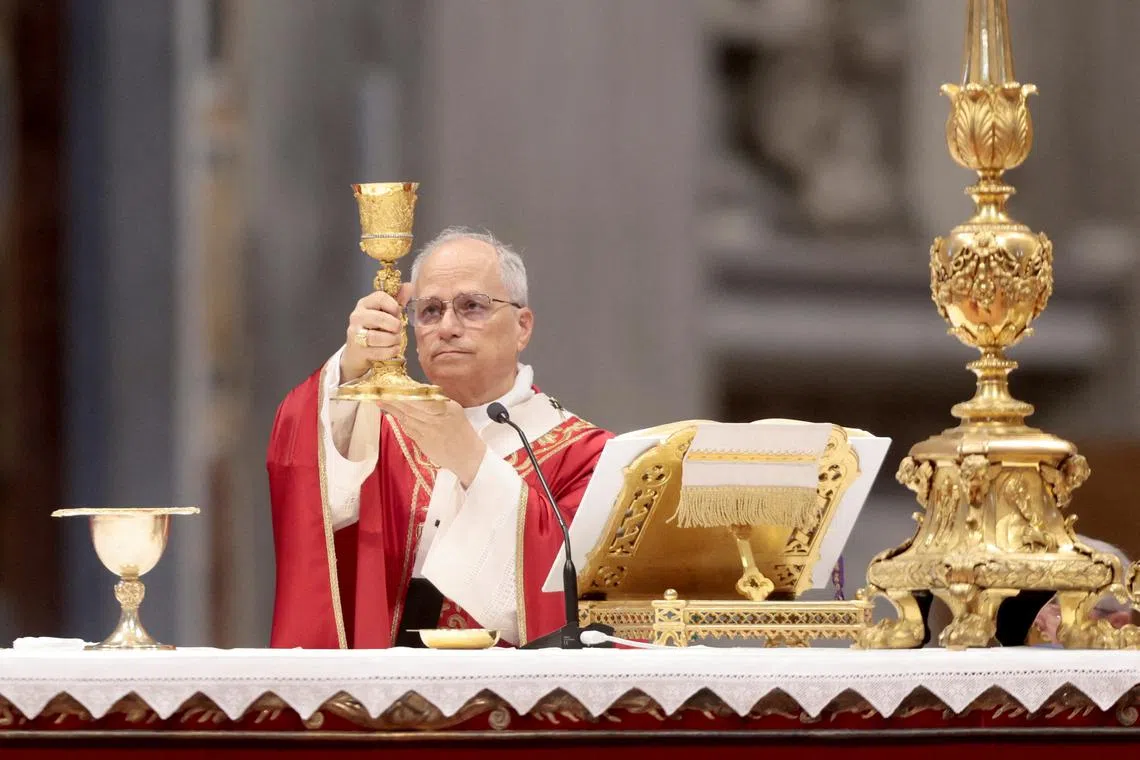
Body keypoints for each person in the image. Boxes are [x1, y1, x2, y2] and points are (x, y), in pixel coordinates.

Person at [266, 227, 612, 648]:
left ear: (522, 327)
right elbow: (301, 467)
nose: (447, 327)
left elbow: (572, 598)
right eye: (429, 310)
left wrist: (471, 461)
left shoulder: (587, 455)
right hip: (382, 690)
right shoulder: (382, 425)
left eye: (472, 306)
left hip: (511, 696)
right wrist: (351, 368)